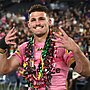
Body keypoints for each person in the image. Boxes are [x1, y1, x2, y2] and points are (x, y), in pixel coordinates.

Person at [0, 4, 90, 90]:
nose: (37, 23)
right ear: (29, 24)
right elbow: (4, 69)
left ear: (49, 22)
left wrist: (76, 49)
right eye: (33, 20)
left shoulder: (61, 46)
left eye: (41, 19)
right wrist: (2, 47)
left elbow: (87, 72)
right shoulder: (24, 48)